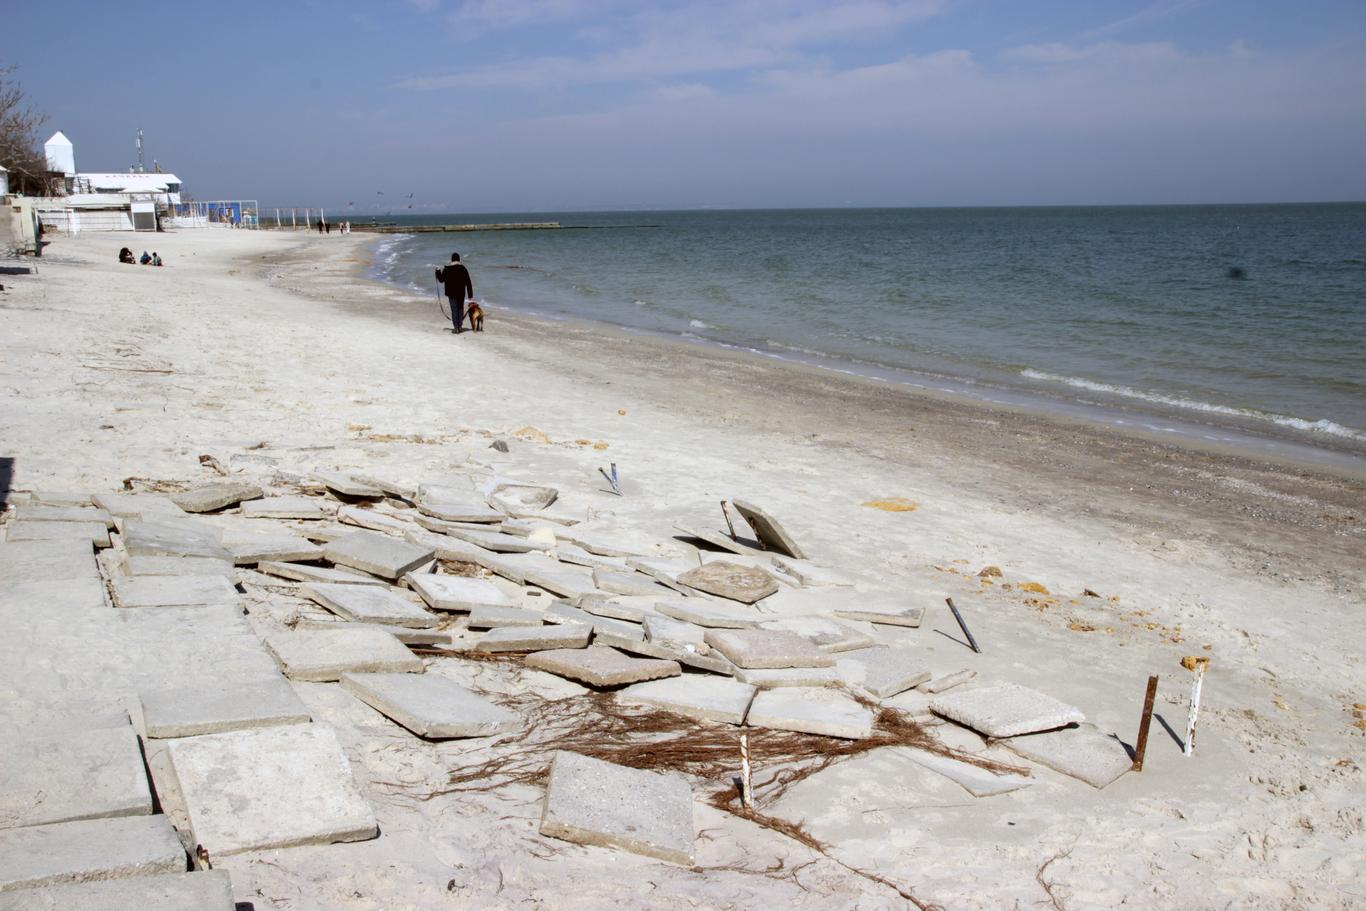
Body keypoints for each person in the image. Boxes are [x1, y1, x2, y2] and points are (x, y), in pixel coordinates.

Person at [434, 252, 474, 333]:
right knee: (460, 308)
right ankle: (459, 326)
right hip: (461, 293)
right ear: (459, 259)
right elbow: (468, 283)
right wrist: (470, 296)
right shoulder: (463, 269)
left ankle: (456, 327)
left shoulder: (447, 269)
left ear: (451, 260)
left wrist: (438, 271)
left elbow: (441, 280)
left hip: (451, 293)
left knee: (454, 309)